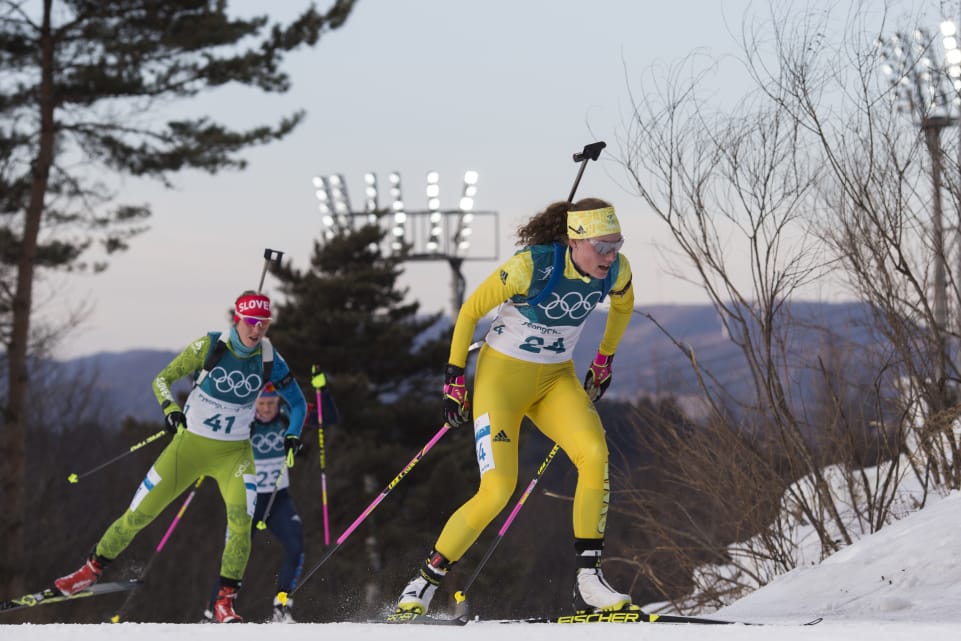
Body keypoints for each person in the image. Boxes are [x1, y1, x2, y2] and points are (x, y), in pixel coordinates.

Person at [393, 197, 638, 617]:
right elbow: (471, 310)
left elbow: (623, 305)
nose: (610, 254)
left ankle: (588, 580)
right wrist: (454, 378)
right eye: (602, 246)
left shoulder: (616, 270)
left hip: (554, 378)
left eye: (616, 243)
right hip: (501, 381)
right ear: (574, 240)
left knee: (595, 455)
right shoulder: (532, 266)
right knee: (498, 488)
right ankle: (423, 582)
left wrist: (604, 359)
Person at [53, 290, 308, 624]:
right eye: (250, 322)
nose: (256, 330)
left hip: (235, 455)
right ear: (238, 319)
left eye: (263, 323)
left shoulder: (271, 359)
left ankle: (224, 604)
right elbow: (162, 379)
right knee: (139, 513)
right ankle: (89, 570)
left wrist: (291, 436)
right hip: (188, 449)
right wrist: (170, 409)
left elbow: (299, 403)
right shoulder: (210, 346)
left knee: (240, 524)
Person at [202, 383, 305, 623]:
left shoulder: (287, 419)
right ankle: (211, 611)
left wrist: (323, 393)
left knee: (295, 545)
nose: (267, 408)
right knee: (235, 555)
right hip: (247, 501)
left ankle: (282, 605)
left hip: (278, 500)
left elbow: (326, 417)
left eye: (271, 403)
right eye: (262, 403)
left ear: (278, 402)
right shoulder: (245, 422)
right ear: (255, 403)